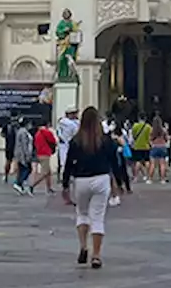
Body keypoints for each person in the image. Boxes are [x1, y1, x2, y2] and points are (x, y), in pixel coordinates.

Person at [62, 106, 123, 269]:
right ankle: (96, 255)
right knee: (97, 217)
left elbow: (69, 163)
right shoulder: (105, 140)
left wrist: (65, 184)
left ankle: (83, 246)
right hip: (101, 179)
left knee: (82, 214)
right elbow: (114, 162)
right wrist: (120, 182)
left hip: (81, 180)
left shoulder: (76, 140)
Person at [30, 120, 57, 194]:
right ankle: (32, 185)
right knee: (45, 173)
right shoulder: (47, 132)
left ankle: (49, 188)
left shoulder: (37, 133)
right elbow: (53, 141)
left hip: (39, 153)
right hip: (45, 153)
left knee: (48, 172)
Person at [55, 109, 80, 186]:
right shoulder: (72, 124)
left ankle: (61, 178)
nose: (75, 115)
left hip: (63, 144)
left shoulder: (61, 121)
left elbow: (57, 132)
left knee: (62, 162)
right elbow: (77, 134)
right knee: (68, 162)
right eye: (73, 113)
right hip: (70, 144)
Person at [12, 118, 35, 194]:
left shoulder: (21, 131)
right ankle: (18, 182)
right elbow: (24, 145)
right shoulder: (23, 132)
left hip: (20, 154)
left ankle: (20, 184)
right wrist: (27, 155)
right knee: (27, 169)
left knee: (23, 169)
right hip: (22, 154)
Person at [131, 113, 153, 183]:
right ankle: (148, 176)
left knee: (138, 161)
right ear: (145, 118)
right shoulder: (148, 127)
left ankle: (136, 177)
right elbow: (150, 136)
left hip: (137, 146)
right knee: (147, 161)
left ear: (138, 118)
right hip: (146, 146)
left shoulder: (135, 126)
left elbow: (133, 135)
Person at [149, 115, 170, 184]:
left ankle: (150, 179)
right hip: (162, 147)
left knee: (152, 164)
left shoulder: (152, 130)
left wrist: (152, 144)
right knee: (162, 164)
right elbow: (167, 139)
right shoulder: (163, 130)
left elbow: (150, 139)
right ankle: (162, 179)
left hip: (154, 147)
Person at [2, 117, 19, 184]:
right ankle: (15, 177)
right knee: (15, 162)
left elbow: (2, 134)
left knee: (9, 162)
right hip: (15, 147)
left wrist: (7, 136)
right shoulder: (17, 126)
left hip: (9, 147)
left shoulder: (7, 126)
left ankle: (6, 176)